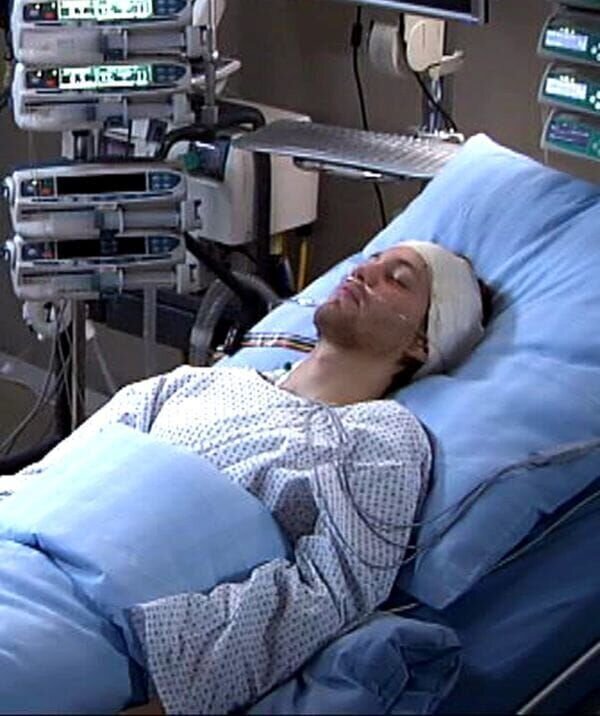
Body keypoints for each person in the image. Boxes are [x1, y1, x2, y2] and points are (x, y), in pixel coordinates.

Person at [0, 241, 489, 715]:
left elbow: (329, 593)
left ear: (422, 342)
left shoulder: (381, 435)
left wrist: (178, 692)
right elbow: (49, 475)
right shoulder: (194, 381)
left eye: (396, 280)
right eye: (371, 261)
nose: (364, 273)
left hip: (93, 625)